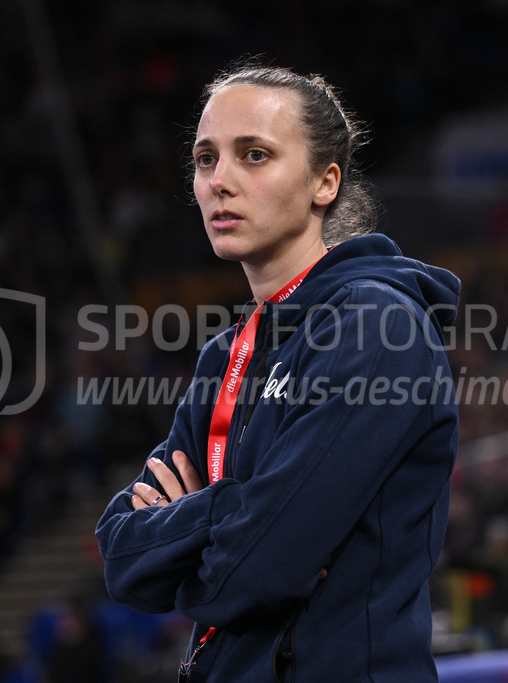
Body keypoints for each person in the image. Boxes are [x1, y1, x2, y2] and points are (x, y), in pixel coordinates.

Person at [96, 62, 460, 682]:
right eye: (206, 159)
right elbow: (122, 555)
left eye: (255, 155)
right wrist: (236, 511)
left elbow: (263, 563)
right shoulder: (224, 355)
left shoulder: (377, 327)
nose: (220, 181)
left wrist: (204, 532)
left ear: (325, 182)